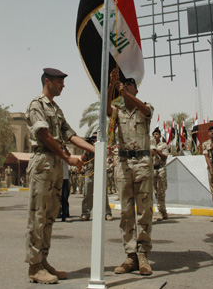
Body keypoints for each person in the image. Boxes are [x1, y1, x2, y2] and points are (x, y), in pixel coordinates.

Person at [25, 67, 96, 284]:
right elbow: (45, 136)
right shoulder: (36, 105)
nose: (62, 85)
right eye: (59, 82)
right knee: (38, 215)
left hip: (55, 165)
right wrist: (67, 158)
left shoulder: (55, 109)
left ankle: (43, 261)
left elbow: (70, 135)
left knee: (49, 216)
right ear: (47, 81)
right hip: (43, 163)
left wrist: (97, 150)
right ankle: (34, 266)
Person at [107, 68, 155, 276]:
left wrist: (126, 95)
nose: (126, 86)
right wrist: (111, 86)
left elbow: (146, 111)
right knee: (126, 212)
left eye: (130, 84)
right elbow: (106, 112)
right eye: (124, 84)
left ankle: (143, 253)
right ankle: (131, 255)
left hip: (142, 163)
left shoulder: (144, 107)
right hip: (124, 163)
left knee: (144, 211)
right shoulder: (118, 112)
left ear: (136, 90)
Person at [80, 132, 113, 221]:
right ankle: (85, 213)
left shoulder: (103, 147)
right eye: (93, 138)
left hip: (101, 172)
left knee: (103, 194)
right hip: (89, 173)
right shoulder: (87, 147)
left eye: (96, 138)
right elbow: (83, 159)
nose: (94, 139)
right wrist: (87, 151)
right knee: (87, 193)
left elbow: (109, 156)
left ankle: (107, 213)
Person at [151, 127, 169, 221]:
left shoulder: (163, 145)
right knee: (155, 191)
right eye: (154, 134)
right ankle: (163, 210)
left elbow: (165, 157)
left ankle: (160, 211)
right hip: (153, 169)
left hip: (161, 169)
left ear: (160, 135)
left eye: (157, 134)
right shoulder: (150, 145)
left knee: (161, 191)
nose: (155, 136)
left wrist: (157, 151)